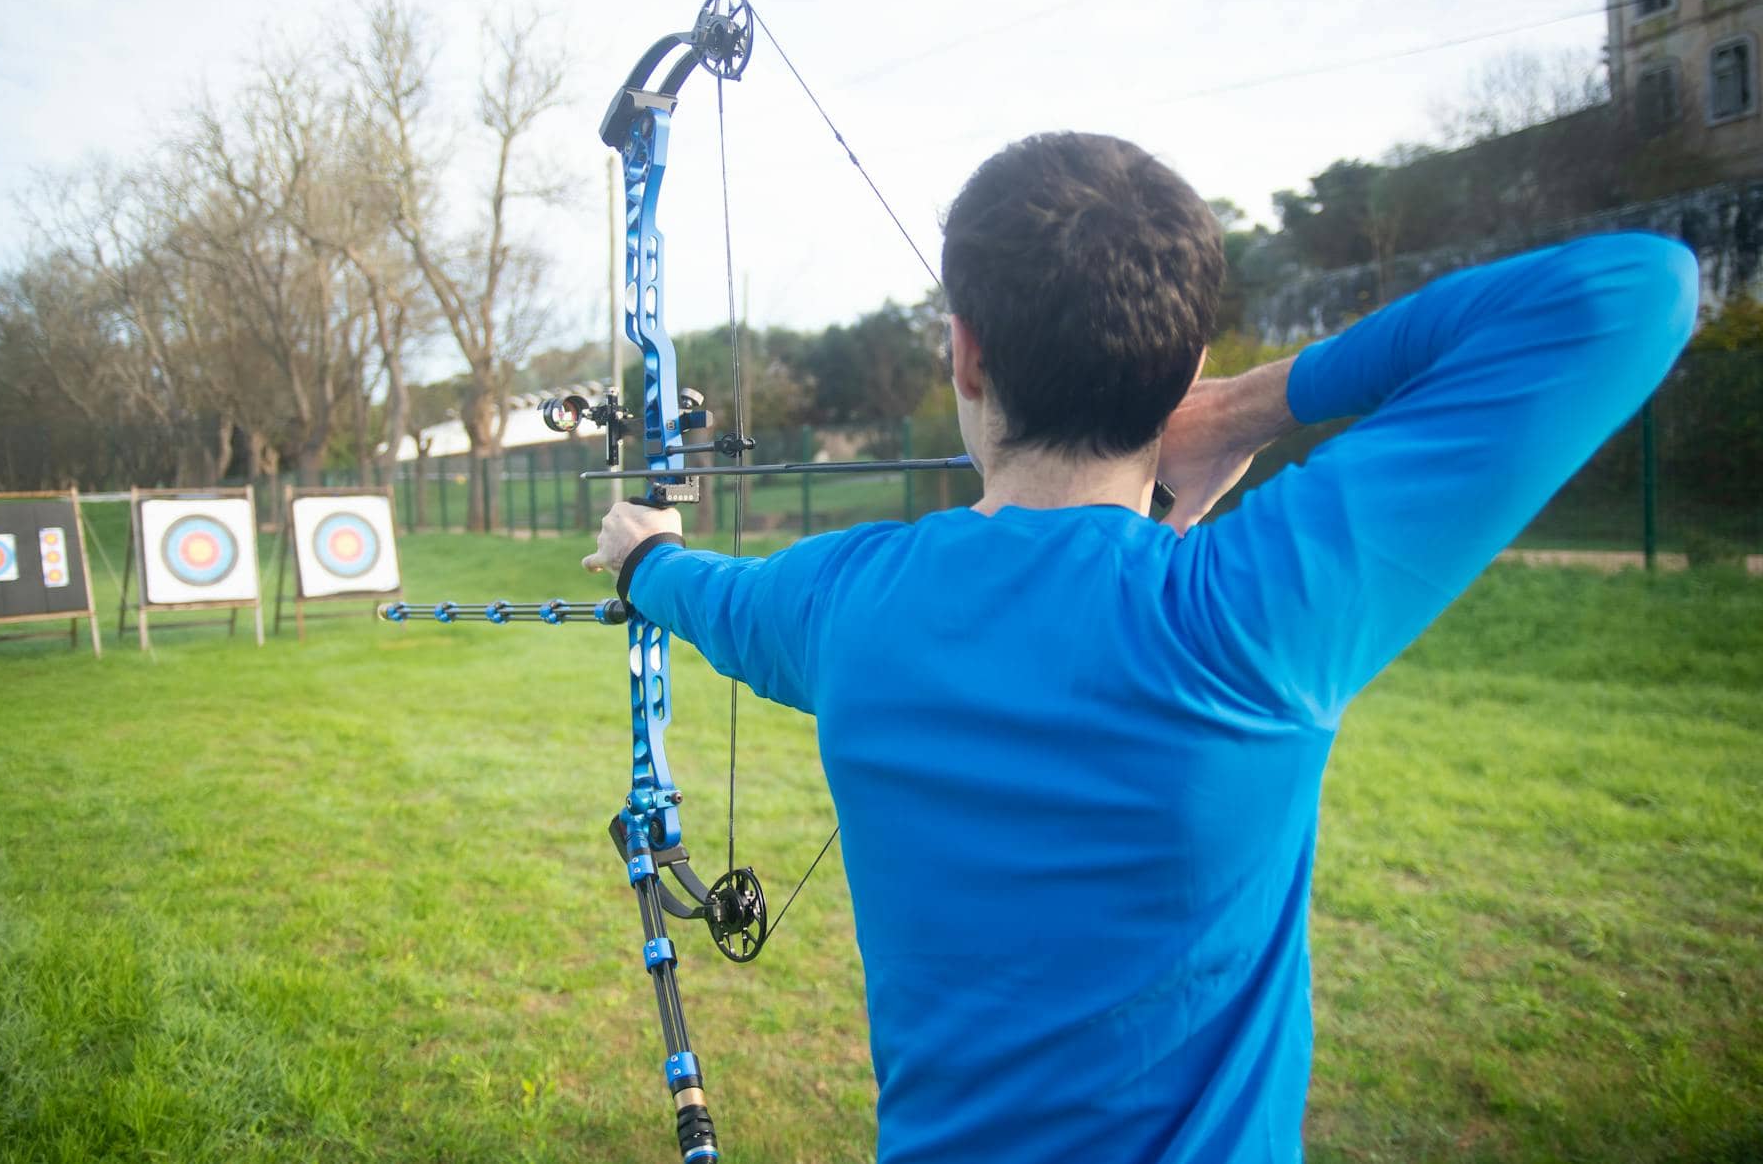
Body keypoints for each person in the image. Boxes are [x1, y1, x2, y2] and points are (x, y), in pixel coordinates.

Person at [582, 132, 1697, 1162]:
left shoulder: (848, 601)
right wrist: (1258, 405)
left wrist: (644, 553)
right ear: (1186, 367)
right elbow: (1637, 294)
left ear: (965, 355)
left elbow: (708, 595)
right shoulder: (1245, 616)